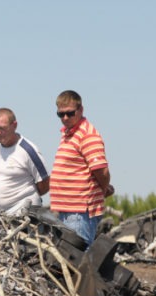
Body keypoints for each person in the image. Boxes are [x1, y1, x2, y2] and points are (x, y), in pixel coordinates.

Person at [48, 90, 113, 247]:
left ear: (81, 110)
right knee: (68, 256)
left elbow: (101, 171)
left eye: (70, 113)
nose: (65, 118)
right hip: (68, 210)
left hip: (79, 212)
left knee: (76, 256)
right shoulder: (69, 134)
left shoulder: (87, 135)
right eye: (61, 114)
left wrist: (103, 189)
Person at [0, 108, 50, 216]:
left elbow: (45, 183)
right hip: (0, 215)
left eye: (2, 128)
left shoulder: (28, 150)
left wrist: (25, 199)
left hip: (25, 216)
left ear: (14, 125)